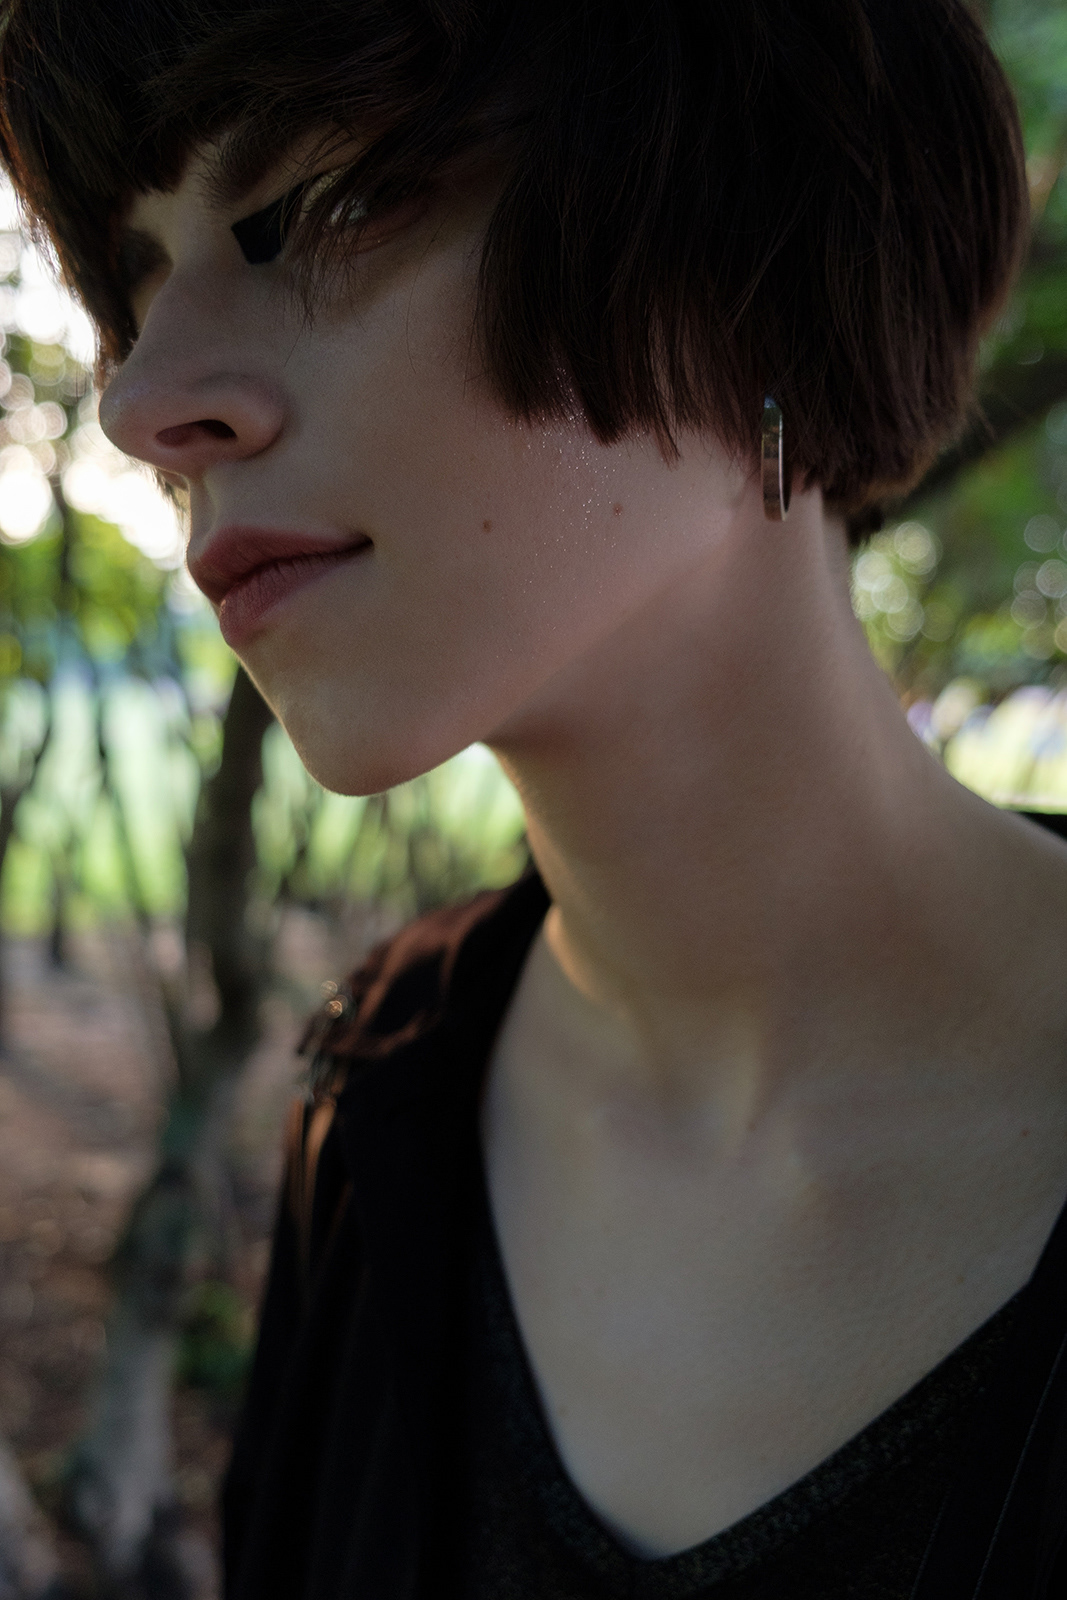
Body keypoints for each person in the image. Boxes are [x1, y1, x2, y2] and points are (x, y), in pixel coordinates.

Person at [0, 0, 1062, 1594]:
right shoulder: (379, 1107)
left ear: (755, 247)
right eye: (137, 283)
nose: (145, 402)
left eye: (333, 202)